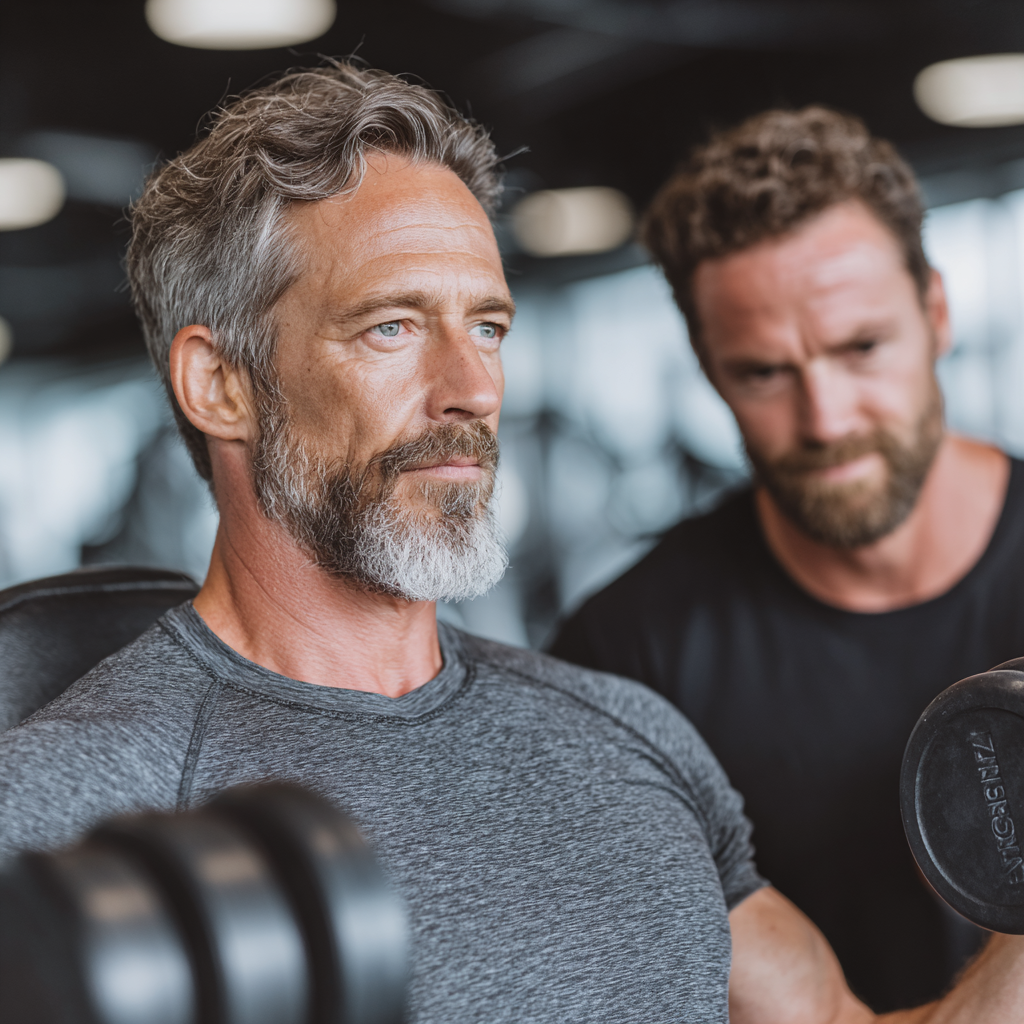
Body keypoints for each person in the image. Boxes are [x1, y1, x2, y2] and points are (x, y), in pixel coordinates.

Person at [0, 68, 1021, 1024]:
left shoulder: (625, 732)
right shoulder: (64, 810)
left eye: (486, 327)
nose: (473, 389)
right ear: (219, 384)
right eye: (392, 327)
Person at [550, 106, 1024, 1012]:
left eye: (862, 348)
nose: (828, 419)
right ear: (707, 368)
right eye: (765, 372)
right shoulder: (626, 657)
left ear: (937, 312)